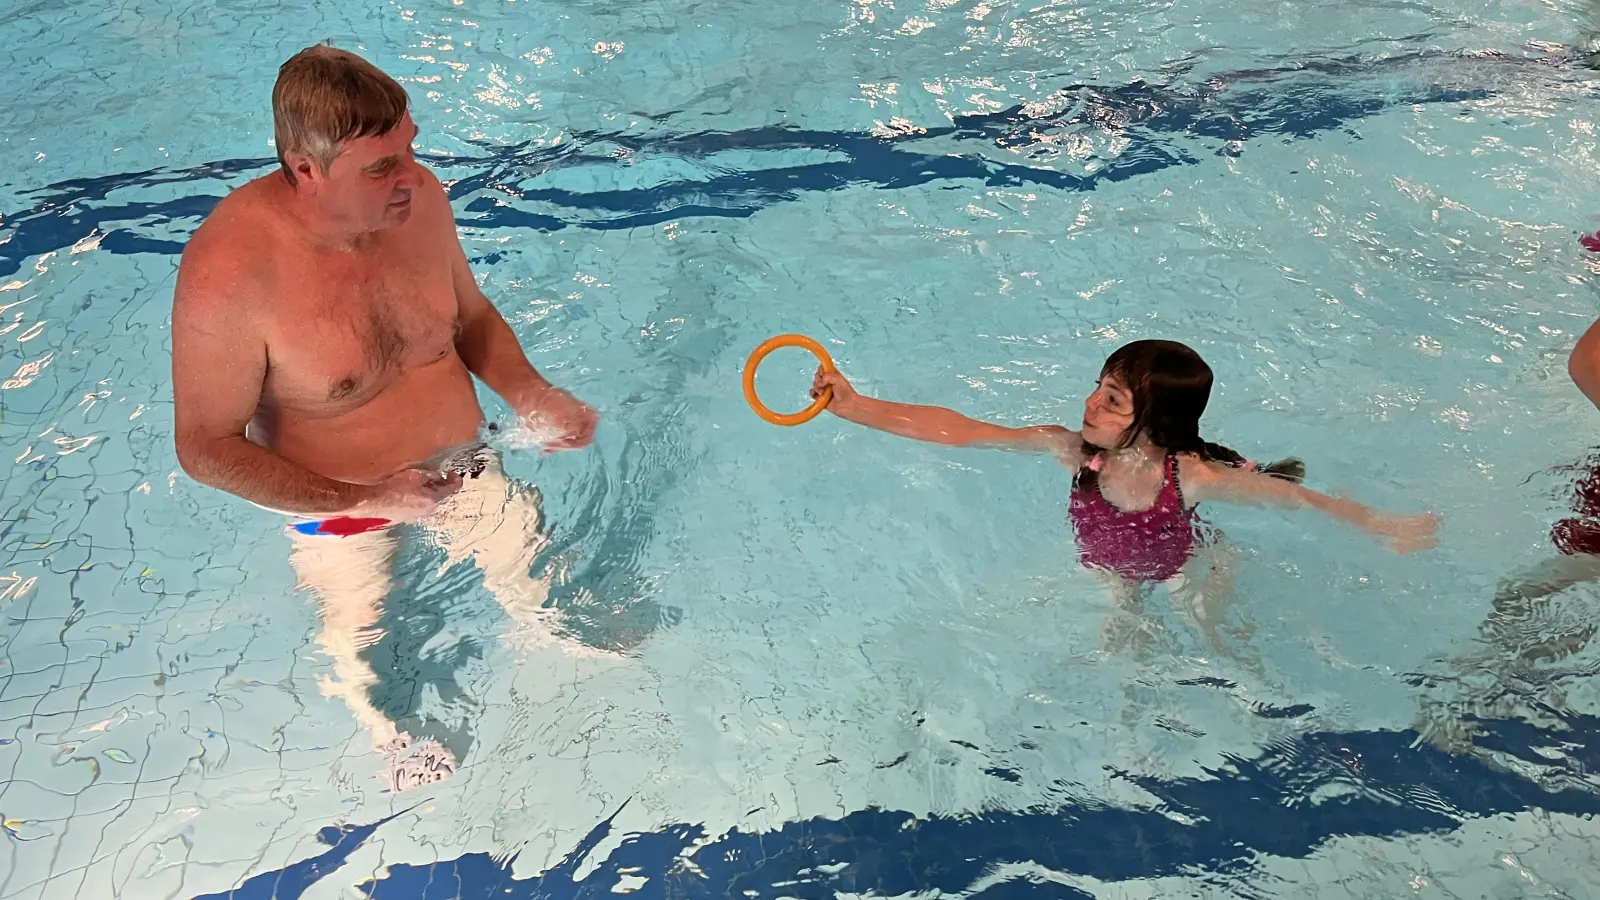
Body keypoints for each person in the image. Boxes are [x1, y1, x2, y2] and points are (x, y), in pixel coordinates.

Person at [170, 45, 600, 791]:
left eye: (410, 150)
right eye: (380, 168)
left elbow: (466, 317)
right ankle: (392, 739)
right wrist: (370, 498)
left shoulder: (420, 201)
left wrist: (530, 392)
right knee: (369, 659)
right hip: (341, 508)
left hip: (465, 468)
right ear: (307, 168)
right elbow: (205, 448)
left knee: (558, 610)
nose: (410, 178)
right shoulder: (232, 275)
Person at [809, 339, 1440, 652]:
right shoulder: (1073, 452)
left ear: (1154, 421)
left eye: (1112, 400)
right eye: (1097, 388)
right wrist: (856, 405)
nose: (1090, 403)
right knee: (1121, 644)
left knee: (1212, 637)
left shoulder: (1190, 477)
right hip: (1112, 563)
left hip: (1185, 563)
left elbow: (1298, 501)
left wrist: (1386, 525)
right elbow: (961, 430)